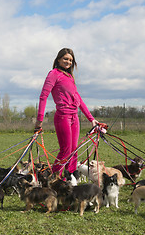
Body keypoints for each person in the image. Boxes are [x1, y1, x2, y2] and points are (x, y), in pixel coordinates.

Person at [35, 48, 99, 176]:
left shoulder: (69, 77)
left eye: (70, 60)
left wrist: (91, 119)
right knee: (66, 151)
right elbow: (43, 96)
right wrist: (40, 119)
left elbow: (78, 98)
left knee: (74, 150)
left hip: (74, 117)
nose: (68, 62)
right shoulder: (53, 74)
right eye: (65, 59)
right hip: (62, 117)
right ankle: (54, 179)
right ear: (58, 60)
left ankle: (71, 179)